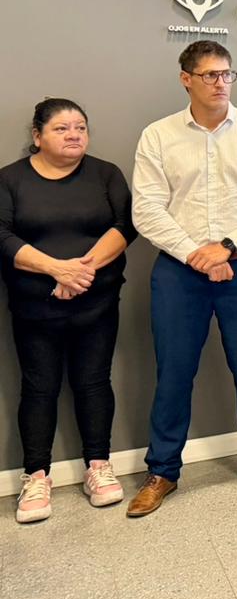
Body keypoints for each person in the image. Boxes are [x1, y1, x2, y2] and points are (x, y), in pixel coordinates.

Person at [128, 41, 237, 517]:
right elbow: (147, 209)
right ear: (186, 79)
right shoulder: (158, 136)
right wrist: (196, 255)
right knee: (174, 373)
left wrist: (228, 247)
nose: (221, 83)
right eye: (210, 75)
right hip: (179, 273)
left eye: (227, 74)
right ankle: (162, 471)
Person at [0, 99, 137, 523]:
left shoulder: (105, 174)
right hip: (34, 306)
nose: (74, 134)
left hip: (97, 302)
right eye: (61, 128)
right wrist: (55, 269)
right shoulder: (10, 179)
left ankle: (98, 465)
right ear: (37, 135)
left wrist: (80, 271)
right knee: (39, 387)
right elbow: (1, 235)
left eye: (80, 127)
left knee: (94, 382)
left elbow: (125, 226)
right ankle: (36, 476)